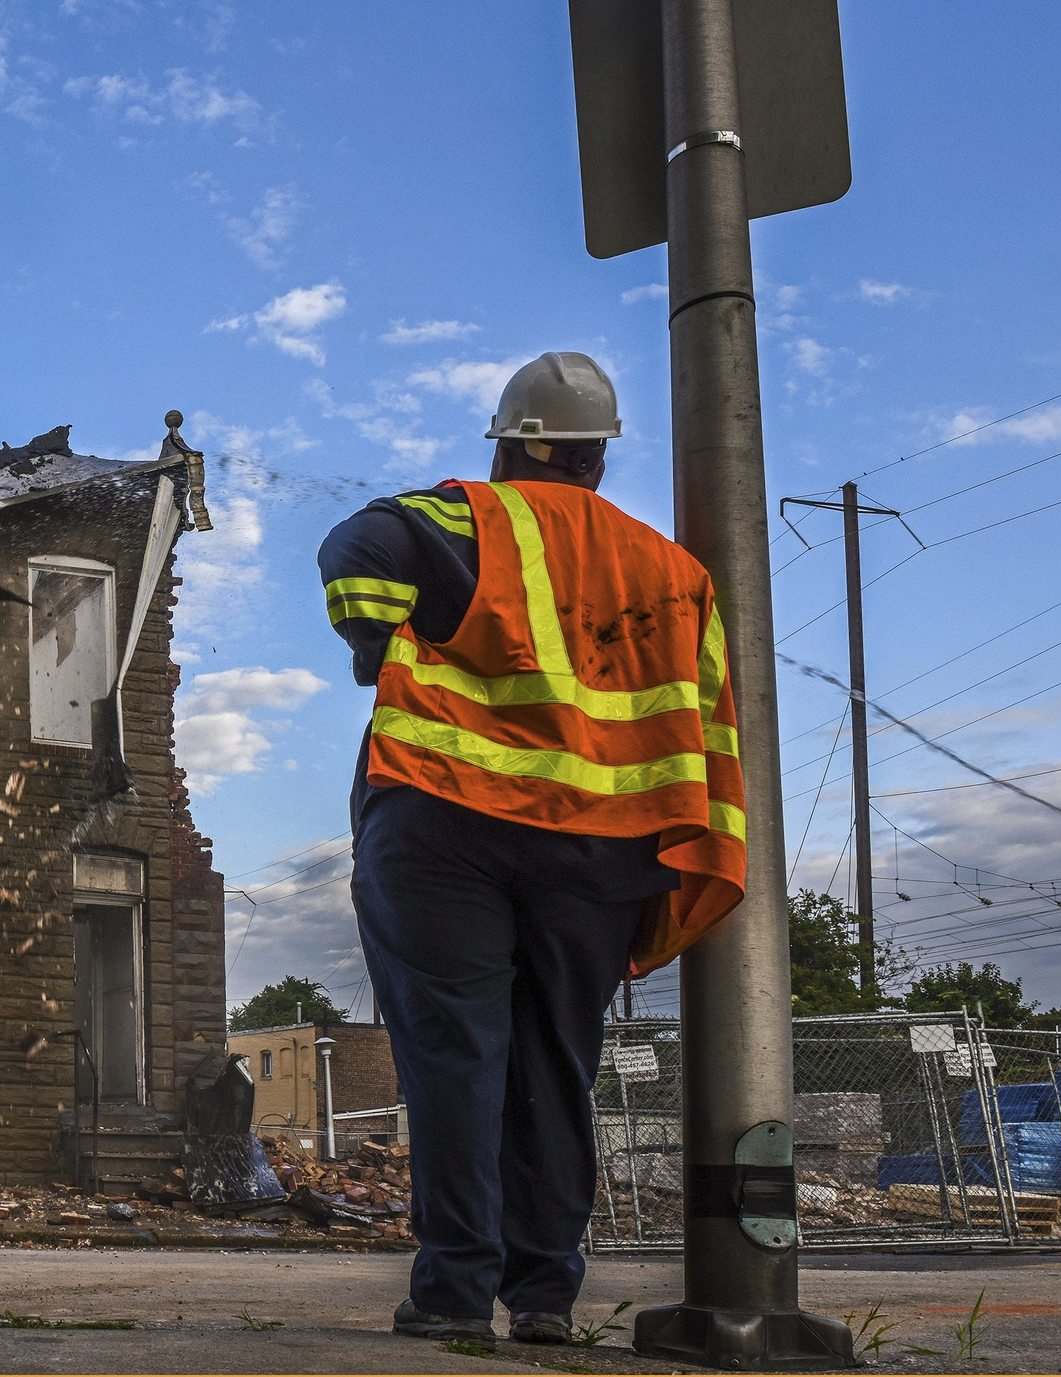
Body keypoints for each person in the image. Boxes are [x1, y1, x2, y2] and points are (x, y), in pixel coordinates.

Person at [316, 352, 746, 1343]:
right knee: (555, 1061)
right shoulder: (671, 573)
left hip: (444, 819)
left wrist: (373, 649)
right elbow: (704, 729)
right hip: (599, 851)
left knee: (454, 1052)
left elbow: (353, 549)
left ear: (509, 443)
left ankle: (454, 1291)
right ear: (596, 457)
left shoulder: (464, 514)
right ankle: (545, 1297)